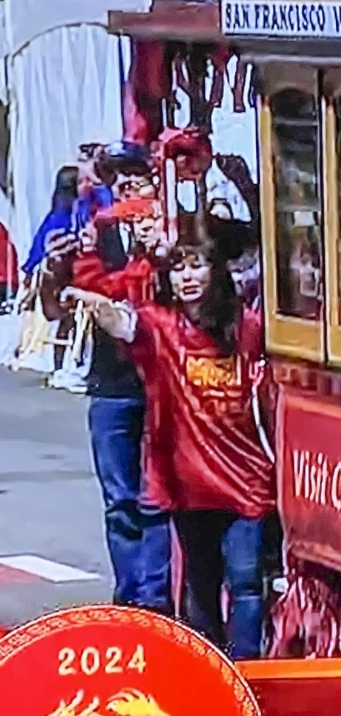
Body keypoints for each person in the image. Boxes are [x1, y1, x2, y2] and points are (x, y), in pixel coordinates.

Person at [64, 241, 274, 659]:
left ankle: (249, 674)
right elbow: (120, 320)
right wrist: (89, 300)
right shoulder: (160, 326)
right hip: (189, 482)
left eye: (197, 266)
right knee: (201, 585)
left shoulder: (248, 327)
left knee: (247, 583)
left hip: (247, 479)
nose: (187, 277)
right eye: (178, 269)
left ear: (217, 272)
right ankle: (207, 671)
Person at [37, 169, 172, 617]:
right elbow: (56, 308)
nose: (128, 187)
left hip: (163, 382)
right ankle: (131, 594)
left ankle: (156, 597)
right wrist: (54, 269)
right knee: (120, 500)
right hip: (111, 385)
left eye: (137, 177)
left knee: (158, 496)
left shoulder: (174, 231)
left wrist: (161, 251)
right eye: (118, 179)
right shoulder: (95, 235)